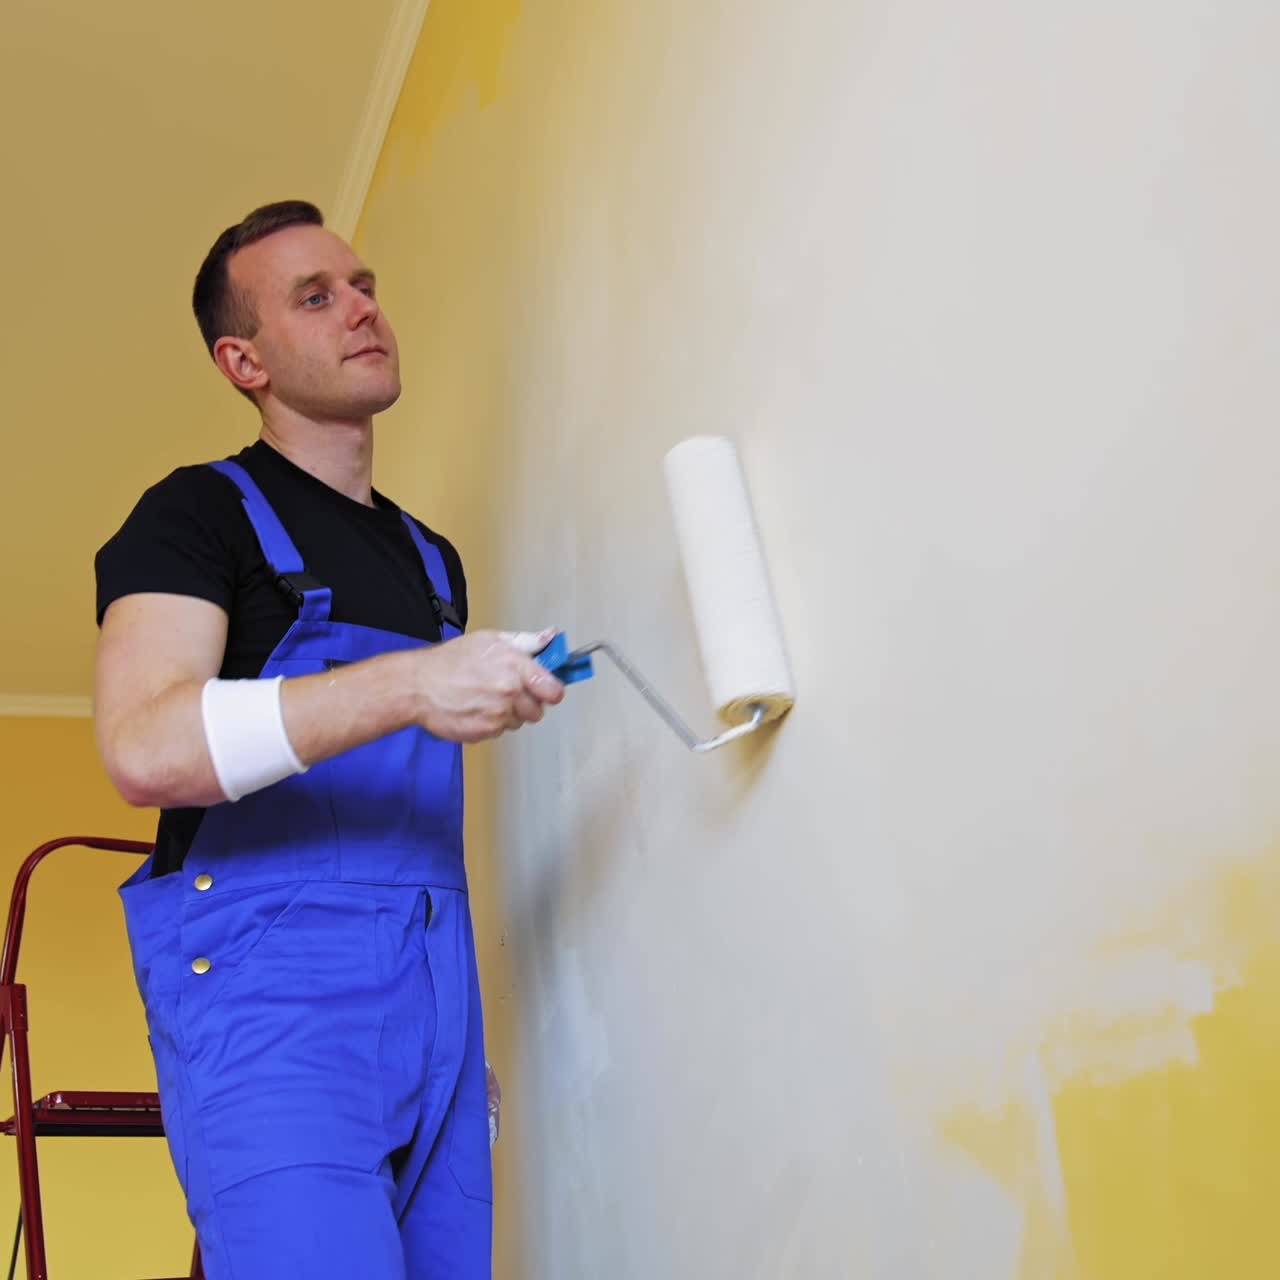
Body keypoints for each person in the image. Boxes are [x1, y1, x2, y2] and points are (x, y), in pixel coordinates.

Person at [93, 199, 563, 1280]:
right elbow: (144, 747)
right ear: (241, 359)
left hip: (432, 1000)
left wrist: (435, 1030)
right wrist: (413, 679)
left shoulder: (429, 557)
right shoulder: (197, 514)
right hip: (274, 1007)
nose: (361, 309)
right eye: (316, 296)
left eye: (363, 286)